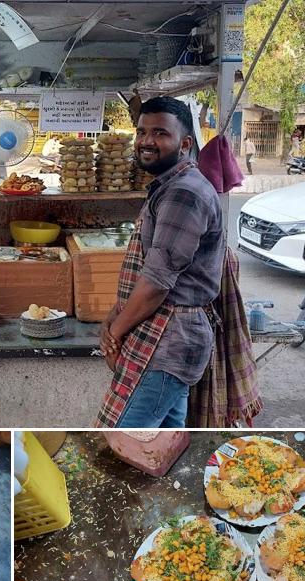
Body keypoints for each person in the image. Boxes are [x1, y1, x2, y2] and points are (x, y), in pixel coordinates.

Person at [96, 96, 225, 427]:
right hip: (162, 333)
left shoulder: (183, 193)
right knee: (164, 439)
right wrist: (116, 313)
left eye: (160, 133)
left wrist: (114, 334)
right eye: (141, 132)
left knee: (122, 438)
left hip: (168, 339)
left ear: (185, 144)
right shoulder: (170, 186)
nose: (146, 141)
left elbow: (156, 283)